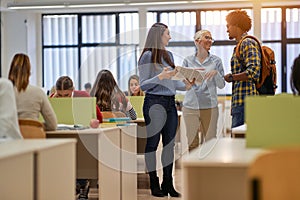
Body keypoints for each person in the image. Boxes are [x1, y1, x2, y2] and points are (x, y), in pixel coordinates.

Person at [138, 22, 191, 197]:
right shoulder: (147, 56)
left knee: (169, 145)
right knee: (152, 144)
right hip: (154, 103)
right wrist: (160, 76)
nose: (170, 37)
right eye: (167, 34)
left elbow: (172, 83)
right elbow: (143, 85)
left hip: (170, 103)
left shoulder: (168, 56)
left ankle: (168, 183)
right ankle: (154, 183)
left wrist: (187, 85)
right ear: (159, 35)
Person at [181, 30, 225, 151]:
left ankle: (208, 169)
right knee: (192, 143)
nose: (210, 40)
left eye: (211, 38)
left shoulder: (216, 61)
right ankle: (195, 170)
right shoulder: (187, 60)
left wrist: (216, 73)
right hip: (190, 106)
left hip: (210, 107)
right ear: (197, 41)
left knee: (210, 143)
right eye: (207, 37)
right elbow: (183, 84)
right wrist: (186, 82)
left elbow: (221, 85)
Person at [223, 10, 261, 129]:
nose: (227, 30)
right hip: (240, 102)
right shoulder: (239, 45)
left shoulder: (247, 43)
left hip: (246, 103)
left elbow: (253, 72)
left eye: (228, 26)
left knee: (241, 143)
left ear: (236, 25)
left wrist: (231, 77)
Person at [8, 53, 57, 131]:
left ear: (11, 70)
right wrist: (35, 125)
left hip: (10, 140)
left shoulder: (3, 93)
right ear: (29, 72)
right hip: (34, 138)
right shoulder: (38, 92)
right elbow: (52, 125)